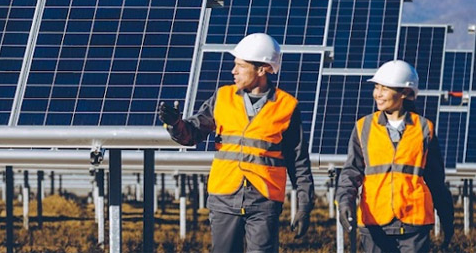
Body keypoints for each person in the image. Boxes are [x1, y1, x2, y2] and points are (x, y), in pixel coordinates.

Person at [158, 32, 314, 253]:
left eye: (240, 66)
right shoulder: (222, 97)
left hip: (264, 199)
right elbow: (191, 134)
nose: (233, 71)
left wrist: (305, 206)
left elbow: (298, 162)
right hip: (224, 197)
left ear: (262, 69)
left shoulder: (287, 106)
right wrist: (176, 124)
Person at [335, 59, 455, 253]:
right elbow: (351, 172)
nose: (378, 94)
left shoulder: (424, 128)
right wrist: (344, 202)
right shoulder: (363, 127)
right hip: (374, 220)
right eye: (376, 87)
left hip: (414, 223)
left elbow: (436, 179)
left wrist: (447, 217)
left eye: (385, 88)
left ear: (405, 93)